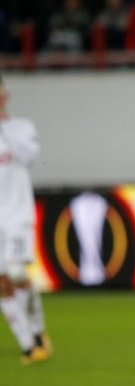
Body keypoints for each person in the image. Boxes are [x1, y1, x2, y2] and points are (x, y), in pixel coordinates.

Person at [0, 76, 51, 365]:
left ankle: (38, 331)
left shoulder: (21, 128)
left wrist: (2, 123)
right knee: (2, 282)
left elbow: (29, 156)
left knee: (18, 274)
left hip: (17, 216)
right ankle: (28, 345)